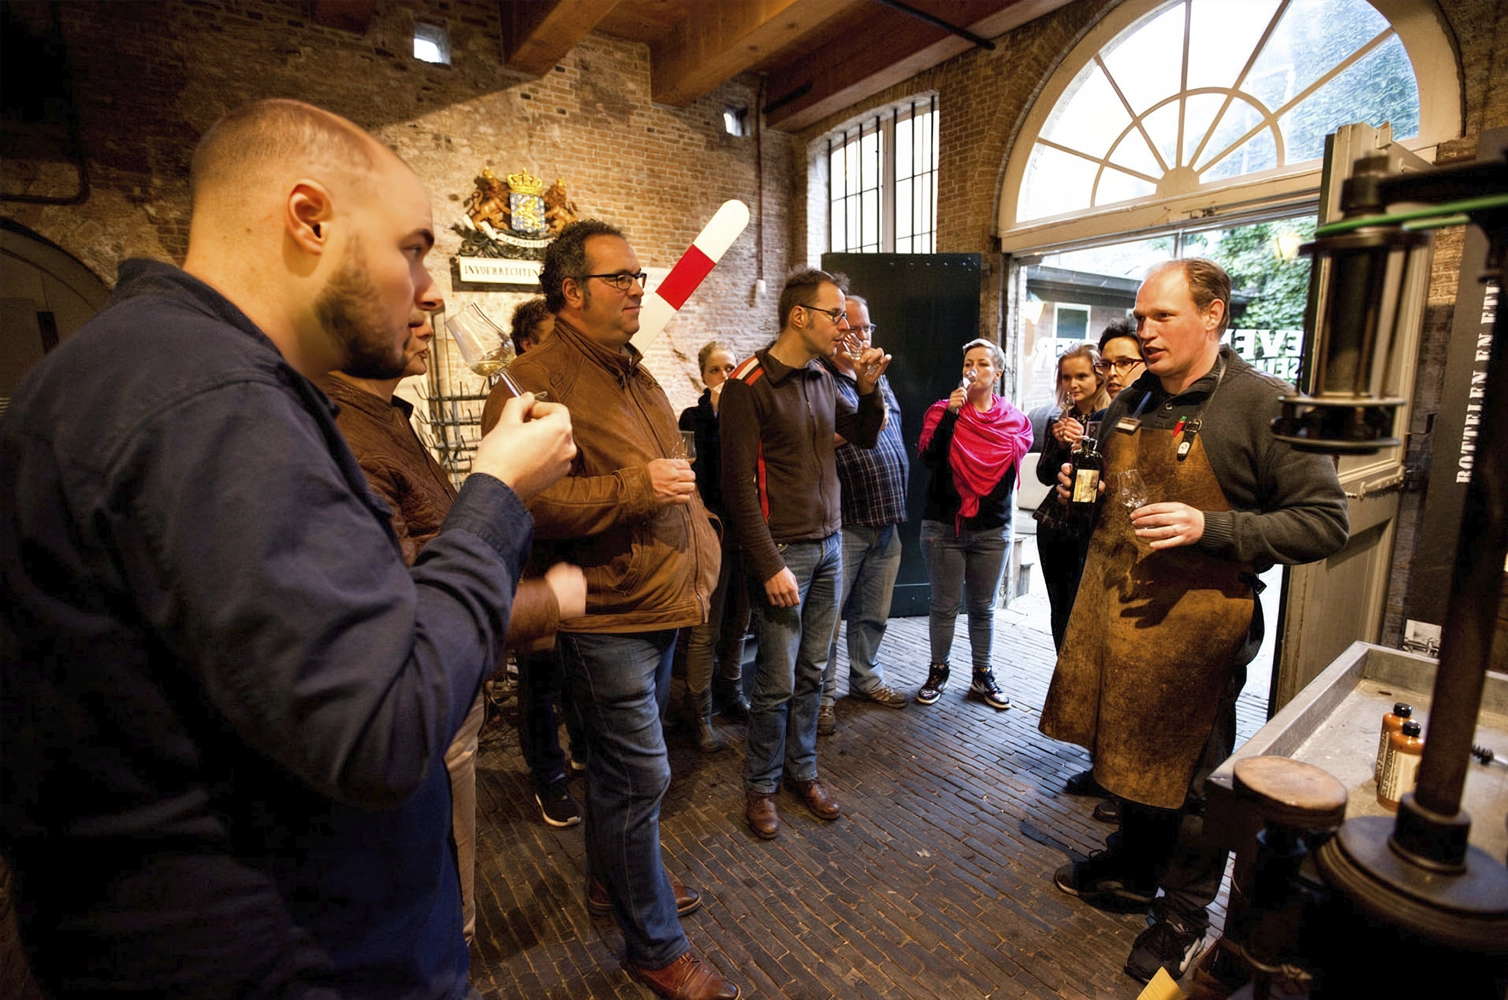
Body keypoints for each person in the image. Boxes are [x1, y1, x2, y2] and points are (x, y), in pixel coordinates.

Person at [0, 99, 577, 998]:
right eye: (413, 249)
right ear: (310, 220)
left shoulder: (147, 366)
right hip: (290, 959)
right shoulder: (212, 401)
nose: (431, 290)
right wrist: (496, 494)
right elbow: (383, 726)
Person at [1041, 259, 1348, 984]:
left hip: (1199, 629)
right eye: (1140, 317)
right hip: (1118, 611)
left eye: (1163, 316)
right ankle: (1133, 867)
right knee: (1124, 746)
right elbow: (1105, 496)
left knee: (1193, 776)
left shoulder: (1265, 404)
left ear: (1213, 315)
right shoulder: (1135, 401)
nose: (1145, 332)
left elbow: (1323, 523)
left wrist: (1213, 527)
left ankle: (1182, 912)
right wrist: (1079, 490)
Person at [482, 220, 739, 1000]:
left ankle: (612, 882)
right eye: (620, 277)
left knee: (618, 774)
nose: (637, 289)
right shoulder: (529, 383)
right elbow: (521, 499)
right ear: (572, 291)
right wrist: (636, 488)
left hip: (656, 602)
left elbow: (669, 473)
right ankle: (654, 945)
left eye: (639, 276)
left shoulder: (633, 369)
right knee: (640, 777)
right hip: (607, 614)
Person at [323, 309, 583, 944]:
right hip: (429, 702)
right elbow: (408, 610)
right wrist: (546, 598)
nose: (431, 304)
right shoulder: (346, 434)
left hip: (457, 687)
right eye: (407, 265)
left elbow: (434, 535)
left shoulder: (384, 416)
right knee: (440, 885)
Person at [720, 267, 889, 841]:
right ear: (800, 316)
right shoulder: (748, 384)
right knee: (775, 680)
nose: (845, 326)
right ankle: (761, 785)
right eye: (835, 315)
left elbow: (864, 434)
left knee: (814, 670)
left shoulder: (820, 375)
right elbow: (737, 488)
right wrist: (768, 564)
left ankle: (803, 771)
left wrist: (868, 388)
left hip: (830, 544)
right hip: (784, 551)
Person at [913, 339, 1034, 711]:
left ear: (997, 373)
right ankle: (938, 671)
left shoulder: (1014, 421)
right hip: (944, 527)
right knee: (944, 605)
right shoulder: (942, 411)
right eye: (968, 363)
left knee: (983, 608)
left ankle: (983, 673)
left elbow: (1008, 477)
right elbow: (930, 459)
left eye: (982, 363)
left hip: (992, 529)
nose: (973, 369)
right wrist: (952, 414)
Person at [505, 294, 588, 827]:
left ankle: (578, 751)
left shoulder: (572, 393)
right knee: (539, 680)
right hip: (534, 559)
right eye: (554, 339)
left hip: (571, 559)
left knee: (574, 672)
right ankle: (548, 779)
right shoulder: (514, 402)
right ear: (527, 346)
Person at [816, 294, 911, 736]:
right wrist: (858, 426)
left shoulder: (874, 376)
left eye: (866, 328)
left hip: (886, 515)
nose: (860, 336)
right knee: (827, 620)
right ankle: (820, 698)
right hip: (845, 520)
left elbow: (887, 424)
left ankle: (865, 679)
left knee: (873, 613)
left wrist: (864, 415)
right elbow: (813, 438)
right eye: (851, 327)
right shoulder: (820, 378)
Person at [1056, 320, 1140, 817]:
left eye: (1124, 362)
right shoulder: (1114, 417)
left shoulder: (1156, 413)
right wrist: (1076, 485)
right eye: (1107, 364)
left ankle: (1127, 791)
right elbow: (1082, 496)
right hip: (1102, 556)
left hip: (1151, 568)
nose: (1113, 373)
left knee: (1132, 684)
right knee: (1100, 671)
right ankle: (1104, 770)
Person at [677, 339, 751, 752]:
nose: (725, 376)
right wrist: (723, 416)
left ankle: (732, 691)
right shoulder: (694, 417)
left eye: (731, 368)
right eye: (716, 369)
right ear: (703, 376)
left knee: (739, 623)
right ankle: (700, 712)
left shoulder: (751, 413)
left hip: (748, 533)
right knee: (706, 628)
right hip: (713, 534)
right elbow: (701, 473)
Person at [1034, 342, 1111, 651]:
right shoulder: (1060, 419)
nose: (1073, 384)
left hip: (1093, 527)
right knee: (1061, 608)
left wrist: (1084, 443)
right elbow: (1044, 475)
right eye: (1066, 377)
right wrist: (1060, 446)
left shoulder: (1112, 418)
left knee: (1091, 609)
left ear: (1099, 377)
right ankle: (1063, 670)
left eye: (1081, 376)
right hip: (1055, 525)